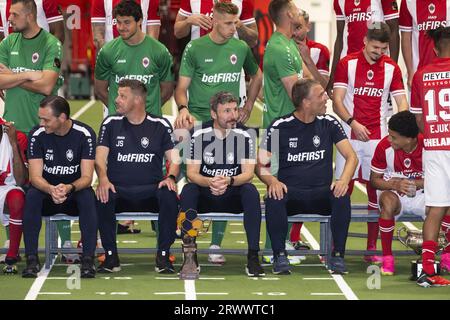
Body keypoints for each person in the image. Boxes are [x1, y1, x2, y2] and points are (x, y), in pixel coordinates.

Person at [175, 1, 262, 264]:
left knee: (228, 174)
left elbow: (257, 75)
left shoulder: (240, 47)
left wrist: (247, 105)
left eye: (235, 23)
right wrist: (182, 108)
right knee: (179, 175)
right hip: (199, 121)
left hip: (228, 122)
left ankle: (215, 244)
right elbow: (181, 87)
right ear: (213, 20)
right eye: (227, 23)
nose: (233, 28)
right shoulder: (195, 47)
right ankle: (180, 233)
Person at [257, 78, 358, 275]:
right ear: (306, 102)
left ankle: (337, 256)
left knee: (342, 196)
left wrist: (343, 180)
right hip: (291, 194)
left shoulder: (329, 123)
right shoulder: (280, 125)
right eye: (321, 95)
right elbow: (259, 164)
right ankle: (279, 256)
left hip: (321, 194)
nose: (326, 97)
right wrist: (272, 180)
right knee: (274, 196)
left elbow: (351, 157)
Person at [333, 22, 407, 263]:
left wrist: (397, 132)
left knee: (376, 191)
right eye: (375, 47)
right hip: (349, 137)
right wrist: (353, 122)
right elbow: (337, 102)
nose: (379, 52)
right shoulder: (347, 64)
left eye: (383, 48)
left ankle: (371, 249)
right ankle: (336, 247)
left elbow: (402, 104)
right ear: (365, 41)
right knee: (343, 189)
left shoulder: (392, 68)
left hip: (378, 139)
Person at [0, 0, 64, 263]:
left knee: (53, 182)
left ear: (29, 14)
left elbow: (48, 87)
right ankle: (11, 238)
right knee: (12, 185)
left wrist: (14, 76)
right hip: (12, 126)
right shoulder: (6, 43)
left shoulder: (51, 44)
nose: (9, 19)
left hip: (45, 128)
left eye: (14, 14)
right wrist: (31, 75)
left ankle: (66, 240)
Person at [95, 79, 180, 274]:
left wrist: (171, 177)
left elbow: (175, 159)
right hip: (118, 191)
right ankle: (110, 256)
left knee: (169, 195)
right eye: (117, 95)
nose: (116, 100)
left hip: (150, 191)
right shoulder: (110, 123)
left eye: (122, 96)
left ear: (139, 100)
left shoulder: (159, 124)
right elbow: (100, 159)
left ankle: (164, 256)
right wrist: (103, 179)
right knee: (101, 195)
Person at [179, 91, 264, 277]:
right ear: (213, 114)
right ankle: (190, 257)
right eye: (226, 111)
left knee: (250, 192)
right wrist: (209, 181)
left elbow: (248, 173)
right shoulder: (199, 133)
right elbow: (192, 174)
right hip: (206, 193)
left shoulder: (245, 134)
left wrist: (229, 181)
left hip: (232, 193)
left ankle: (253, 256)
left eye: (234, 109)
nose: (233, 115)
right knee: (188, 191)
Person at [22, 96, 98, 278]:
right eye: (40, 118)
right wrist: (50, 189)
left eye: (46, 119)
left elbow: (87, 177)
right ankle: (31, 258)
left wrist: (69, 187)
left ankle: (88, 259)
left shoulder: (85, 134)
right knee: (31, 197)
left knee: (88, 197)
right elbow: (35, 176)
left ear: (62, 118)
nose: (42, 123)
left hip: (74, 192)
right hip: (46, 192)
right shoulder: (36, 134)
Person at [261, 0, 304, 264]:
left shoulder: (288, 45)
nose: (300, 12)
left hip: (287, 126)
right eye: (297, 9)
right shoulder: (280, 47)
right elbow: (297, 94)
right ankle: (271, 247)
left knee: (286, 187)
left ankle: (280, 242)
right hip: (281, 127)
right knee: (277, 189)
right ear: (289, 14)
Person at [410, 26, 450, 287]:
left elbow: (418, 119)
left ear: (435, 48)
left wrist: (437, 135)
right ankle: (446, 259)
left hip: (434, 148)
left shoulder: (421, 74)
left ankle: (427, 269)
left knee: (435, 208)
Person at [289, 8, 331, 249]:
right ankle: (287, 239)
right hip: (288, 120)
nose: (296, 32)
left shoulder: (319, 50)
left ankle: (293, 238)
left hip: (312, 122)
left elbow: (326, 87)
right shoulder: (281, 48)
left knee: (310, 174)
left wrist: (308, 61)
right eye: (293, 27)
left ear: (307, 27)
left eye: (299, 27)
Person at [94, 0, 174, 117]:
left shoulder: (160, 51)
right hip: (119, 121)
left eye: (127, 22)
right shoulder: (107, 52)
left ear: (139, 21)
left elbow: (167, 91)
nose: (121, 27)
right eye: (118, 22)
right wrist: (122, 110)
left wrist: (144, 112)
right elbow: (100, 90)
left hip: (150, 121)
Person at [370, 110, 425, 275]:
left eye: (393, 137)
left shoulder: (428, 146)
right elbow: (374, 180)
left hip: (421, 194)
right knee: (387, 200)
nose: (389, 139)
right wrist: (394, 184)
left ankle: (446, 255)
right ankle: (387, 257)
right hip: (394, 195)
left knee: (444, 203)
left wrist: (414, 183)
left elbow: (440, 181)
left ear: (409, 138)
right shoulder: (384, 146)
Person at [328, 0, 399, 95]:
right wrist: (333, 75)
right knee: (347, 107)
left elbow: (394, 31)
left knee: (378, 107)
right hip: (350, 67)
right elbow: (339, 36)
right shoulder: (339, 1)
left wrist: (392, 69)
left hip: (378, 65)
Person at [399, 0, 450, 89]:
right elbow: (406, 38)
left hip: (446, 70)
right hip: (419, 71)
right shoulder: (408, 2)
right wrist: (410, 72)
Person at [0, 118, 27, 274]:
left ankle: (12, 254)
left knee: (17, 199)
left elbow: (21, 179)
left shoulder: (16, 136)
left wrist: (14, 144)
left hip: (8, 187)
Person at [91, 0, 161, 51]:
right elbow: (98, 37)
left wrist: (143, 56)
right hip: (111, 60)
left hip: (140, 59)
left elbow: (153, 37)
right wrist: (111, 56)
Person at [0, 0, 64, 42]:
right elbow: (1, 38)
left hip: (41, 58)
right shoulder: (2, 2)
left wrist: (46, 57)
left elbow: (59, 34)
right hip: (12, 60)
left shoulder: (46, 1)